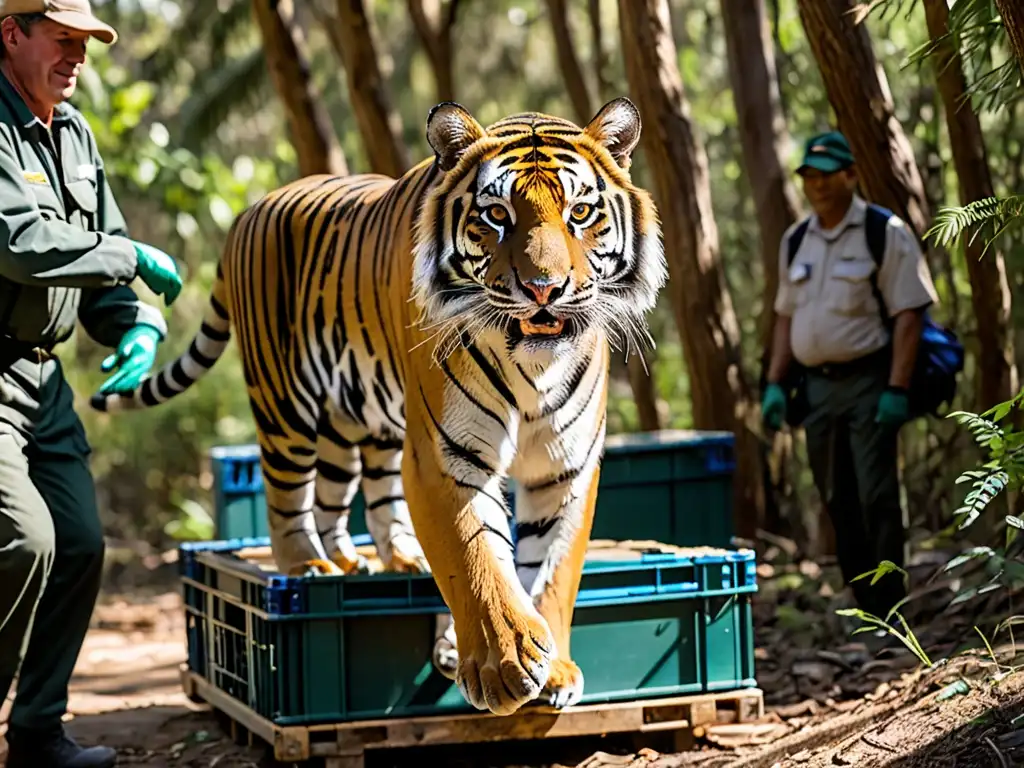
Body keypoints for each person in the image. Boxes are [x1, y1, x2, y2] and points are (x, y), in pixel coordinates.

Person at [0, 2, 183, 766]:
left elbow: (101, 263)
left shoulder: (73, 135)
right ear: (11, 33)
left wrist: (134, 322)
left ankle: (38, 734)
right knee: (23, 541)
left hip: (44, 379)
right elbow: (18, 244)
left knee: (77, 542)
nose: (78, 58)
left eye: (86, 44)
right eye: (63, 40)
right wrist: (131, 257)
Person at [761, 130, 939, 626]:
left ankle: (893, 607)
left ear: (851, 175)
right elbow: (784, 318)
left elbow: (909, 315)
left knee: (876, 494)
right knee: (837, 496)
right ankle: (866, 609)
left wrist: (896, 390)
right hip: (816, 390)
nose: (816, 185)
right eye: (809, 176)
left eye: (826, 174)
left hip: (869, 383)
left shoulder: (884, 232)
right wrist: (775, 384)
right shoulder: (796, 239)